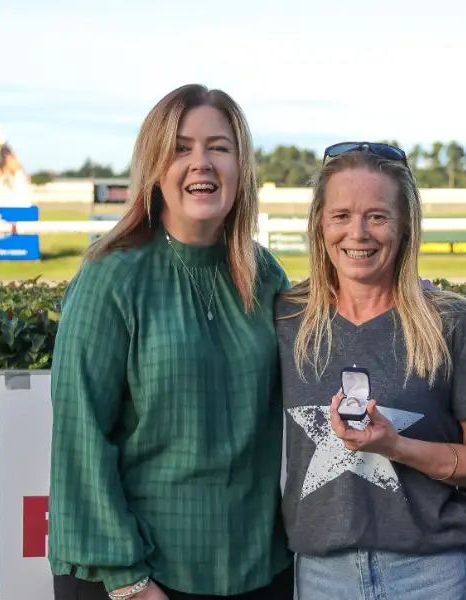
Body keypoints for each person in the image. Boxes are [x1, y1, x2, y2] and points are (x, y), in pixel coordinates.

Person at [48, 84, 293, 600]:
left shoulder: (265, 274)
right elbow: (81, 438)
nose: (201, 163)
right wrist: (129, 581)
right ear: (155, 164)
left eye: (218, 147)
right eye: (181, 148)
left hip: (256, 573)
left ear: (241, 166)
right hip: (138, 578)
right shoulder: (110, 277)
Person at [275, 142, 466, 600]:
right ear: (320, 224)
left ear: (404, 228)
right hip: (322, 577)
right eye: (341, 215)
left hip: (431, 573)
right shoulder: (285, 319)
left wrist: (396, 446)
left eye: (377, 216)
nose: (358, 233)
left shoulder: (452, 323)